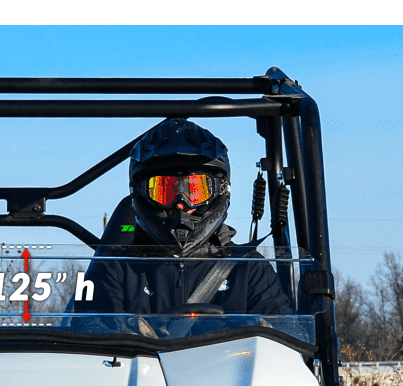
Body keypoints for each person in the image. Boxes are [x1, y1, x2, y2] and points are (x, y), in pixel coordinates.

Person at [73, 118, 292, 318]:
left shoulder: (247, 269)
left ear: (219, 191)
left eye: (195, 190)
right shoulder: (116, 267)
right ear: (141, 193)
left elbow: (285, 342)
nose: (180, 203)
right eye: (164, 190)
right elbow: (93, 335)